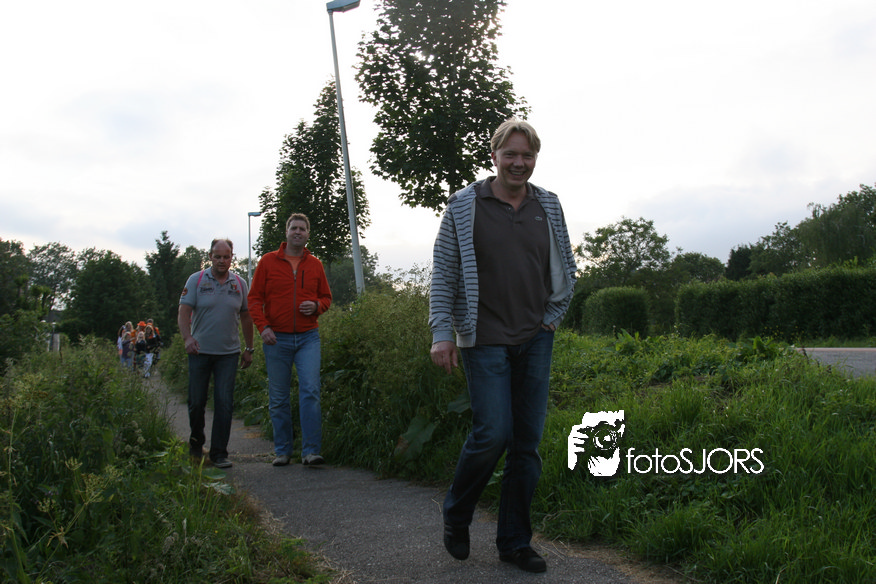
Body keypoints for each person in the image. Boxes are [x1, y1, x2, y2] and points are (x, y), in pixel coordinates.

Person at [429, 119, 577, 573]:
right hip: (484, 338)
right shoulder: (464, 205)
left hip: (535, 337)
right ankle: (458, 513)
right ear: (494, 155)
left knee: (526, 445)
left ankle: (514, 542)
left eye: (527, 155)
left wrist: (553, 317)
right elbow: (444, 270)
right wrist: (442, 332)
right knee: (492, 433)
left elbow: (567, 266)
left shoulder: (547, 204)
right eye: (510, 154)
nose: (519, 163)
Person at [248, 213, 332, 467]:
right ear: (286, 232)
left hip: (308, 338)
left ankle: (311, 451)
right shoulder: (268, 262)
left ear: (307, 234)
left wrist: (316, 306)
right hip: (276, 339)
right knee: (278, 397)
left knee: (310, 391)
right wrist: (263, 328)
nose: (298, 232)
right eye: (294, 228)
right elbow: (254, 299)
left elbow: (326, 298)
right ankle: (283, 451)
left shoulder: (315, 264)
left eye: (302, 229)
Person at [178, 238, 255, 469]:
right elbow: (183, 311)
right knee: (196, 402)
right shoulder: (196, 280)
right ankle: (196, 445)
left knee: (224, 402)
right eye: (218, 256)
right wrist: (187, 338)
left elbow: (246, 316)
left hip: (228, 354)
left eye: (226, 256)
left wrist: (249, 348)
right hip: (199, 352)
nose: (222, 260)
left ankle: (219, 453)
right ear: (210, 256)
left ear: (232, 257)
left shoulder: (239, 283)